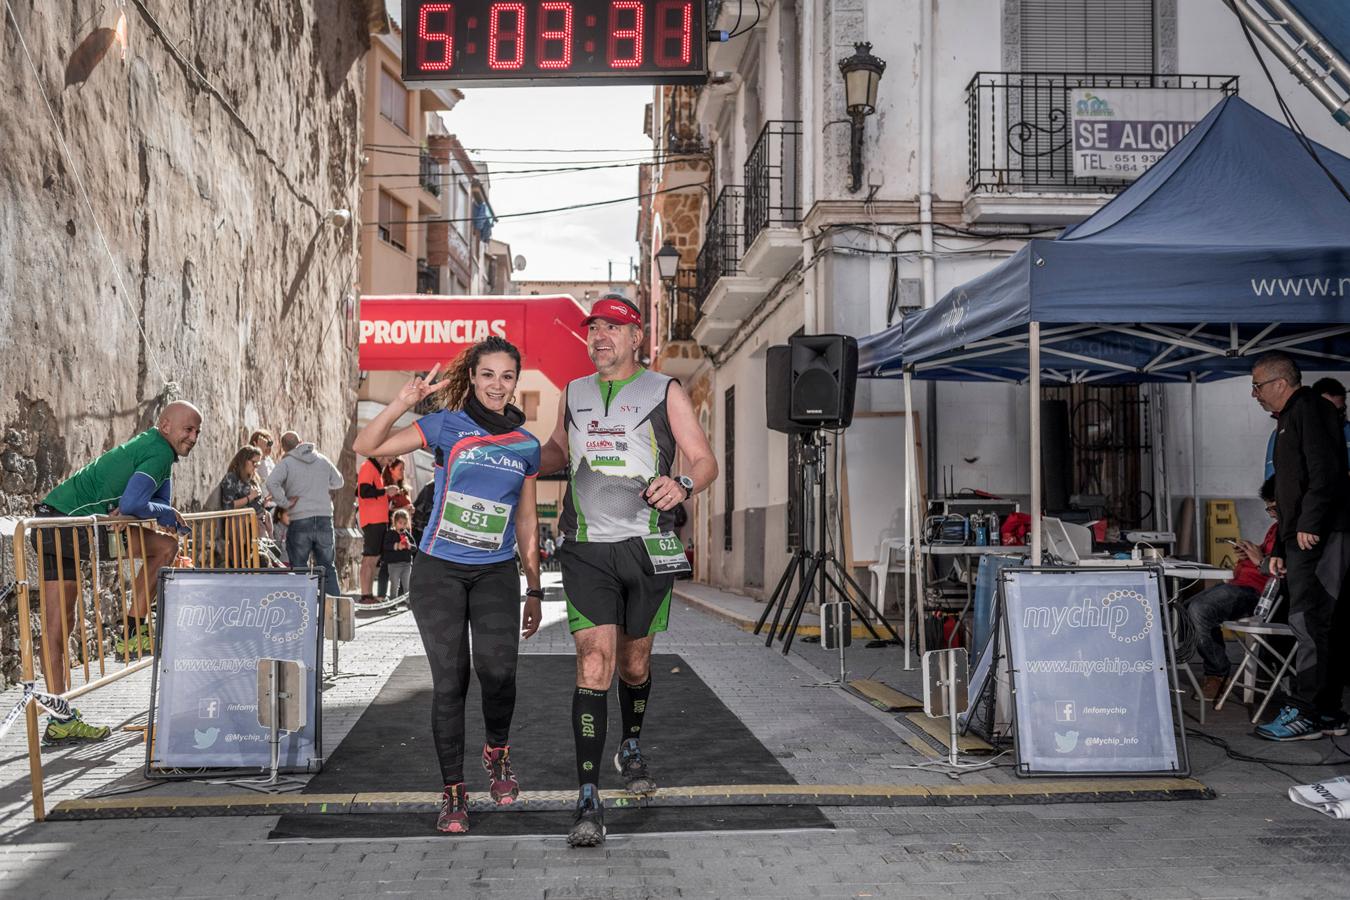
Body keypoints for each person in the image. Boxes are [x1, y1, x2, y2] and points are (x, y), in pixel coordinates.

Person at [539, 293, 717, 847]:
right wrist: (500, 448)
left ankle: (631, 743)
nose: (600, 337)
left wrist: (683, 482)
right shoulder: (574, 392)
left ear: (636, 337)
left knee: (635, 665)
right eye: (593, 328)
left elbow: (704, 459)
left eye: (613, 328)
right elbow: (554, 452)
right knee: (595, 660)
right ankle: (588, 795)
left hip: (647, 546)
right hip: (587, 547)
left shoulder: (665, 390)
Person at [352, 336, 544, 835]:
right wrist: (402, 403)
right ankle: (454, 791)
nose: (497, 385)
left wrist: (536, 587)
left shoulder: (525, 445)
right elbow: (365, 447)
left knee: (499, 673)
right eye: (487, 375)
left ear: (514, 382)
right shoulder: (445, 425)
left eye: (506, 376)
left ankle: (497, 750)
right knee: (450, 683)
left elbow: (526, 520)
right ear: (473, 378)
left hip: (495, 571)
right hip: (439, 570)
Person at [31, 400, 202, 743]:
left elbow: (140, 504)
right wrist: (164, 515)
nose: (194, 437)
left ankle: (60, 719)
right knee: (166, 548)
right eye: (188, 429)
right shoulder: (158, 452)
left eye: (198, 431)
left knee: (55, 630)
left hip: (49, 522)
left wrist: (141, 509)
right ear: (165, 426)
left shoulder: (153, 449)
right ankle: (131, 629)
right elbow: (138, 505)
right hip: (72, 529)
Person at [1249, 352, 1350, 741]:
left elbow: (1325, 471)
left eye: (1257, 385)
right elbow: (1290, 488)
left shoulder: (1310, 409)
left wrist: (1309, 523)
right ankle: (1327, 711)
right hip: (1301, 535)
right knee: (1318, 622)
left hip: (1321, 533)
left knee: (1310, 621)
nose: (1254, 394)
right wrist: (1278, 548)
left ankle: (1305, 711)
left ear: (1279, 383)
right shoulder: (1288, 420)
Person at [1187, 478, 1279, 700]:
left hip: (1260, 592)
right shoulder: (1276, 528)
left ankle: (1216, 674)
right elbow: (1268, 555)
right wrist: (1253, 551)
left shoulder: (1295, 529)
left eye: (1273, 507)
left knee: (1200, 609)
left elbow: (1282, 570)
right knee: (1189, 607)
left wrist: (1259, 560)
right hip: (1245, 583)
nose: (1272, 513)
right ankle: (1217, 672)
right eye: (1268, 509)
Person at [265, 432, 344, 600]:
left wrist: (284, 502)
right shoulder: (322, 459)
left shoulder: (286, 463)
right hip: (324, 518)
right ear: (301, 442)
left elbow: (271, 482)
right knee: (327, 567)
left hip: (300, 519)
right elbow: (339, 481)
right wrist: (321, 485)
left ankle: (301, 609)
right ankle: (334, 612)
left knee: (299, 567)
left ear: (282, 447)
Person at [357, 453, 398, 604]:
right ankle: (365, 595)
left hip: (377, 519)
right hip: (372, 520)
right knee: (370, 557)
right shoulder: (368, 466)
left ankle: (367, 594)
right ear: (382, 453)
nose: (391, 462)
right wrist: (385, 491)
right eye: (391, 458)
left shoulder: (374, 468)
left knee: (373, 558)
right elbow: (364, 492)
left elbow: (361, 491)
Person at [1311, 377, 1350, 470]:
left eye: (1339, 411)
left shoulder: (1348, 431)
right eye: (1328, 410)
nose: (1334, 416)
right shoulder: (1295, 432)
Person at [383, 508, 416, 601]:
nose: (402, 525)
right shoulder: (390, 533)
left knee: (407, 585)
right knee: (394, 585)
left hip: (406, 564)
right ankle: (393, 603)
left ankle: (409, 602)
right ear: (395, 522)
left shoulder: (407, 534)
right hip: (394, 565)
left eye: (405, 523)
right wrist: (397, 546)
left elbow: (415, 547)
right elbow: (386, 546)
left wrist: (409, 546)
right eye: (400, 523)